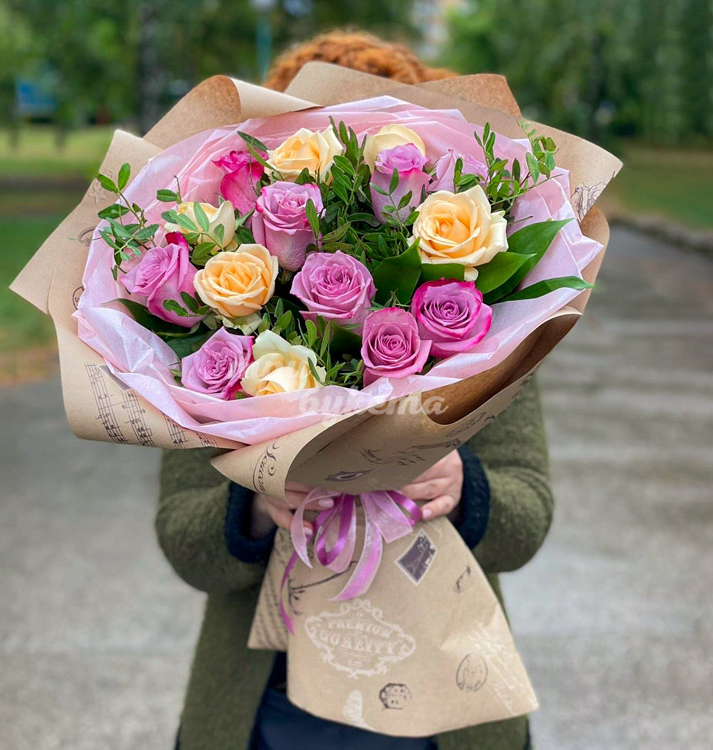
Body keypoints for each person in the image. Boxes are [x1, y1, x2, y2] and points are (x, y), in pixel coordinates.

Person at [157, 31, 550, 750]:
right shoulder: (212, 340)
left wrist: (463, 485)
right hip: (266, 711)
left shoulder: (490, 331)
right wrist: (256, 504)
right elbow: (183, 541)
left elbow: (529, 520)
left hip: (443, 704)